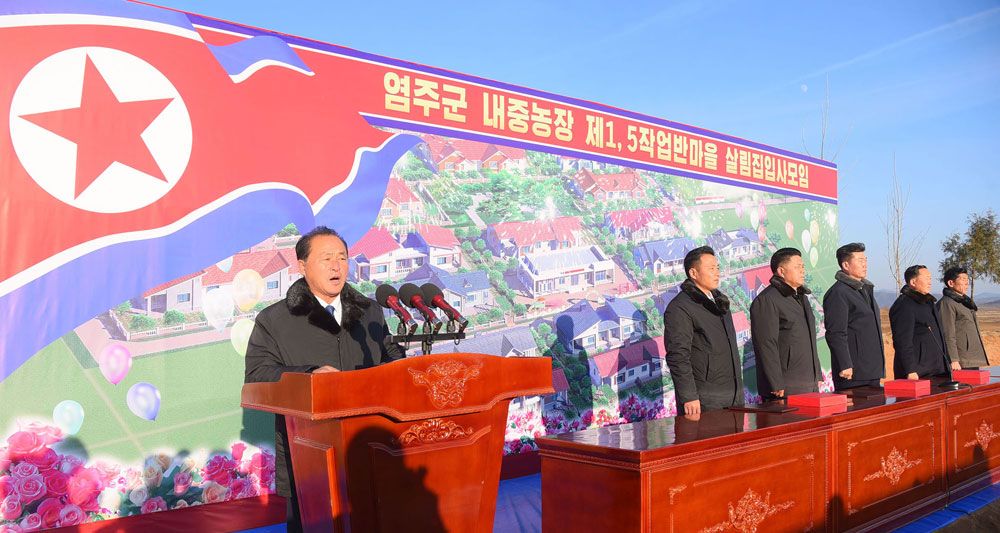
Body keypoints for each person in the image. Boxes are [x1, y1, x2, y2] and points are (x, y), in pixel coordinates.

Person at [245, 226, 403, 532]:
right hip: (310, 455)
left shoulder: (370, 312)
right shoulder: (275, 320)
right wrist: (308, 375)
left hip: (371, 450)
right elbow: (257, 376)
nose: (336, 266)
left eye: (342, 258)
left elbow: (392, 359)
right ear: (302, 266)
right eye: (326, 258)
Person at [664, 246, 744, 415]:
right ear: (693, 273)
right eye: (711, 269)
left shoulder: (720, 302)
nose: (717, 273)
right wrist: (689, 396)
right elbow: (678, 356)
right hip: (704, 399)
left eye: (717, 268)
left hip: (733, 393)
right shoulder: (680, 308)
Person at [751, 247, 822, 399]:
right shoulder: (767, 300)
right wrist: (775, 382)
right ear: (781, 271)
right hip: (786, 385)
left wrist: (817, 373)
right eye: (797, 267)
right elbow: (766, 344)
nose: (802, 270)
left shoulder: (801, 297)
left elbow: (809, 339)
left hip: (809, 381)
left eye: (803, 266)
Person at [823, 243, 885, 391]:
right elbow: (835, 332)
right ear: (845, 264)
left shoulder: (865, 289)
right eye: (859, 260)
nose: (865, 264)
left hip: (872, 370)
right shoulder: (839, 293)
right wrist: (845, 364)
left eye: (865, 260)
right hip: (853, 373)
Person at [889, 264, 957, 380]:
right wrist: (910, 370)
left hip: (939, 369)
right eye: (926, 278)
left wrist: (948, 361)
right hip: (919, 372)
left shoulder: (929, 303)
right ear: (913, 282)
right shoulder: (904, 305)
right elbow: (902, 342)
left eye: (930, 278)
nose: (930, 282)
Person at [937, 266, 989, 369]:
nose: (966, 283)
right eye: (963, 279)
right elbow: (947, 333)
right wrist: (954, 359)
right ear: (951, 283)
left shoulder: (964, 302)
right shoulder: (947, 303)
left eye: (967, 280)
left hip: (972, 357)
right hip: (961, 361)